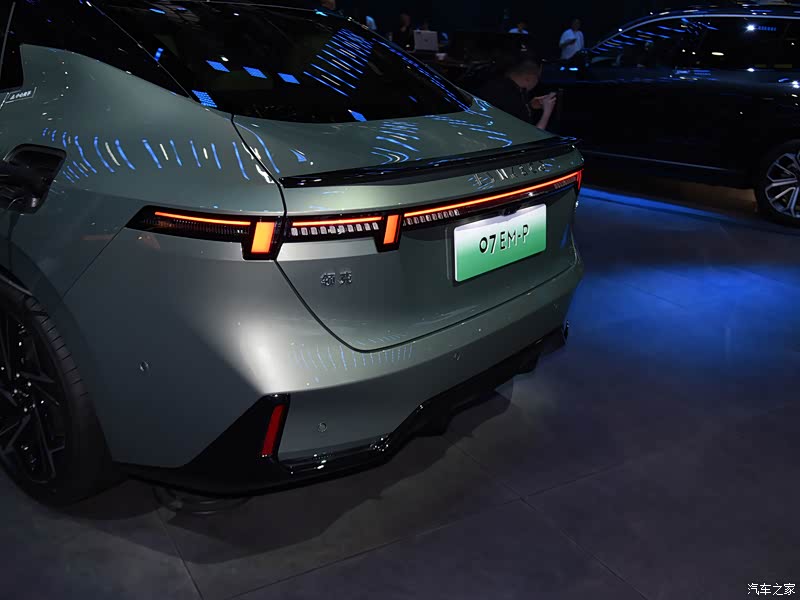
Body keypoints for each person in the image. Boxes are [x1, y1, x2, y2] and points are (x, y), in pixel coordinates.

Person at [478, 59, 558, 130]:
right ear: (529, 78)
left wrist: (530, 105)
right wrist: (547, 112)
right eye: (537, 78)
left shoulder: (499, 85)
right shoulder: (510, 97)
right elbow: (529, 136)